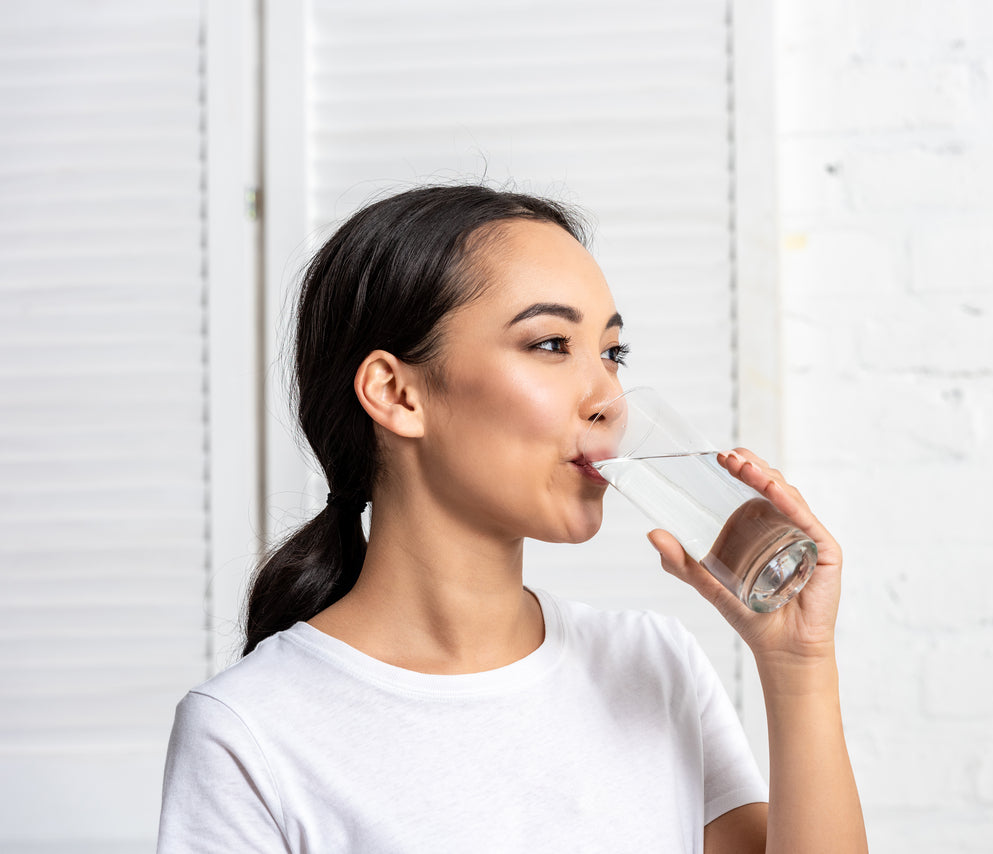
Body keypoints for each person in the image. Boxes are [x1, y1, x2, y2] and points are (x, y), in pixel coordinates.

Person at [157, 184, 867, 853]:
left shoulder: (652, 663)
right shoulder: (249, 730)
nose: (609, 400)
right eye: (552, 345)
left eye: (612, 353)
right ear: (397, 393)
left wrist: (797, 664)